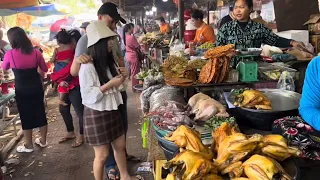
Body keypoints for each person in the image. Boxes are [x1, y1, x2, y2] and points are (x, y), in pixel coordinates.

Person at [70, 2, 140, 179]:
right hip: (97, 109)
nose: (114, 26)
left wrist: (122, 75)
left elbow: (118, 63)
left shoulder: (110, 49)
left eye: (116, 23)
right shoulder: (86, 47)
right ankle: (111, 168)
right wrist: (79, 61)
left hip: (114, 104)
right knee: (101, 155)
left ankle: (124, 173)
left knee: (120, 144)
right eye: (112, 21)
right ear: (101, 17)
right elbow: (82, 83)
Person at [2, 27, 48, 152]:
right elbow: (44, 68)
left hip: (22, 88)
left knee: (26, 115)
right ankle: (43, 141)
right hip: (36, 86)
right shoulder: (36, 52)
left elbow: (5, 67)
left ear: (12, 40)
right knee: (40, 112)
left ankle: (29, 145)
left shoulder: (9, 53)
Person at [216, 0, 304, 49]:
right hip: (231, 72)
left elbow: (275, 40)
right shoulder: (226, 28)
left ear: (250, 9)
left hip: (253, 70)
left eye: (242, 7)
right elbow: (217, 48)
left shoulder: (259, 28)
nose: (238, 10)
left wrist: (292, 42)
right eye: (236, 8)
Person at [50, 29, 75, 106]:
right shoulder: (72, 46)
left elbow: (53, 59)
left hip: (58, 67)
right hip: (67, 67)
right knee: (65, 83)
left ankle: (55, 89)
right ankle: (61, 99)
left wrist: (52, 60)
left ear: (58, 40)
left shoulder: (57, 49)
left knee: (60, 81)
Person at [123, 24, 141, 91]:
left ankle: (135, 87)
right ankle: (135, 87)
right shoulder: (131, 37)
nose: (133, 29)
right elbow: (138, 46)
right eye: (132, 28)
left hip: (128, 56)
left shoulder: (125, 37)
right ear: (128, 29)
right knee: (135, 73)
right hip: (133, 57)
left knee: (133, 72)